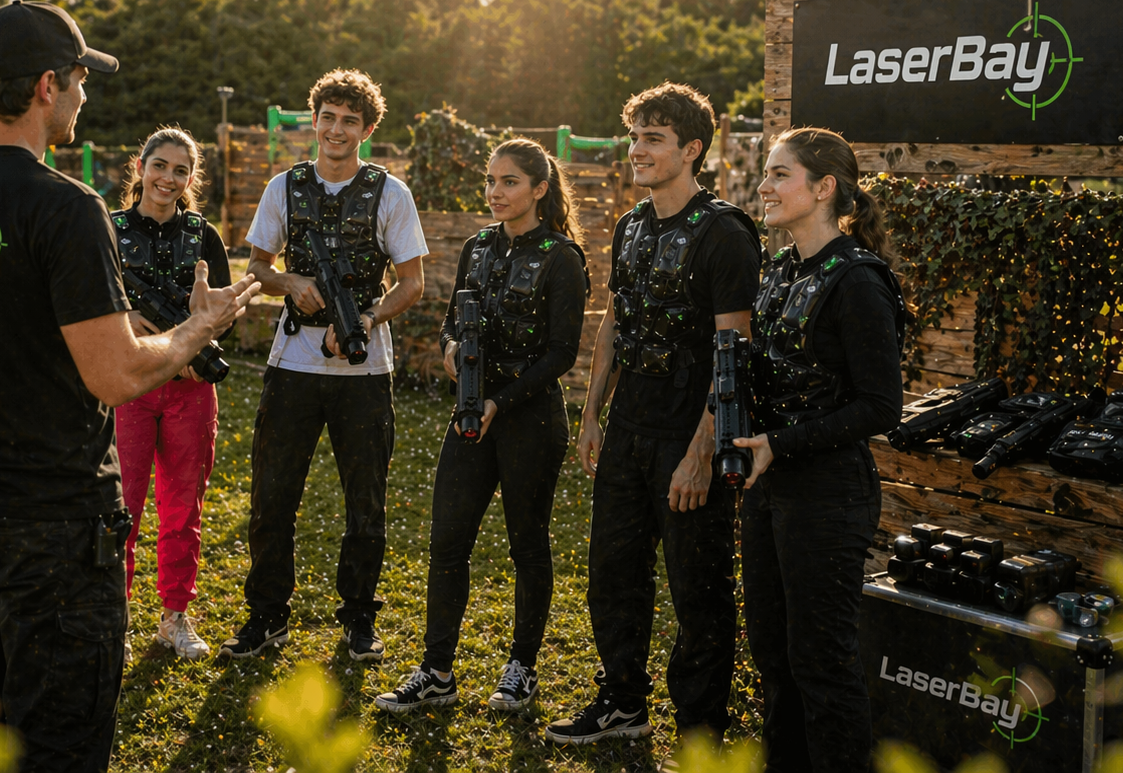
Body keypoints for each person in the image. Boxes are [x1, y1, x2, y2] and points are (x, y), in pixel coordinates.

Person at [0, 0, 258, 773]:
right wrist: (198, 329)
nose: (87, 96)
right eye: (83, 78)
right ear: (48, 85)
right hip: (52, 523)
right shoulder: (65, 206)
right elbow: (116, 372)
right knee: (56, 744)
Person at [548, 83, 762, 746]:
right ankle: (623, 702)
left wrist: (702, 450)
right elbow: (616, 319)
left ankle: (701, 735)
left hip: (686, 433)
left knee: (697, 591)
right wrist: (591, 413)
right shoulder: (633, 223)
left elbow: (737, 350)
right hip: (629, 430)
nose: (638, 149)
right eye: (635, 135)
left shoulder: (724, 232)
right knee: (613, 572)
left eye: (654, 138)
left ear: (691, 149)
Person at [218, 68, 427, 663]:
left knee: (366, 500)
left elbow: (411, 283)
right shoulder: (284, 186)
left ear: (367, 129)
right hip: (293, 361)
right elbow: (258, 266)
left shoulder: (392, 193)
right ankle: (266, 616)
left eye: (349, 121)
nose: (336, 130)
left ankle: (359, 618)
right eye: (328, 118)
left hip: (364, 370)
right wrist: (290, 279)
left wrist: (366, 319)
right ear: (314, 121)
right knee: (273, 494)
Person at [375, 138, 590, 714]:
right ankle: (437, 672)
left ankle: (522, 668)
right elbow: (451, 320)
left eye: (510, 182)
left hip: (530, 420)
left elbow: (562, 354)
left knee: (527, 545)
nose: (496, 192)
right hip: (470, 416)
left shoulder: (562, 257)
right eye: (491, 181)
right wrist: (448, 350)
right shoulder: (476, 247)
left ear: (540, 190)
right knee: (447, 541)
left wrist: (503, 399)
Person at [731, 128, 906, 773]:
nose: (764, 187)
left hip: (828, 496)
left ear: (824, 187)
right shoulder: (778, 271)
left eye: (780, 175)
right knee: (773, 655)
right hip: (767, 487)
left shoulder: (858, 279)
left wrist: (781, 442)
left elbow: (880, 406)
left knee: (821, 663)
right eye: (766, 174)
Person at [110, 127, 232, 660]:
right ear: (140, 167)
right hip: (128, 385)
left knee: (184, 508)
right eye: (159, 166)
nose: (168, 178)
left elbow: (224, 312)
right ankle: (111, 618)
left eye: (180, 170)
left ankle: (174, 618)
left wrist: (203, 332)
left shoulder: (205, 236)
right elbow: (83, 305)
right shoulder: (107, 230)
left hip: (190, 389)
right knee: (120, 507)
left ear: (191, 178)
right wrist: (125, 321)